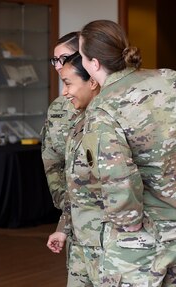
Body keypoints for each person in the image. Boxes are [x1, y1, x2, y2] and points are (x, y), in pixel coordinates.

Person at [79, 19, 176, 286]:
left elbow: (116, 171)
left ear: (94, 63)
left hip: (148, 236)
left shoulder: (104, 106)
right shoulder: (169, 78)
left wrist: (127, 219)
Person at [46, 52, 103, 286]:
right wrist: (64, 227)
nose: (64, 92)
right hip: (81, 242)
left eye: (68, 83)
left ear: (92, 80)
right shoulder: (80, 121)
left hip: (108, 246)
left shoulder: (112, 122)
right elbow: (78, 185)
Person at [41, 32, 83, 286]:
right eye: (54, 60)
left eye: (63, 59)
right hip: (75, 215)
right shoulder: (59, 106)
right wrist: (66, 210)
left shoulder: (109, 103)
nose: (58, 66)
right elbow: (52, 160)